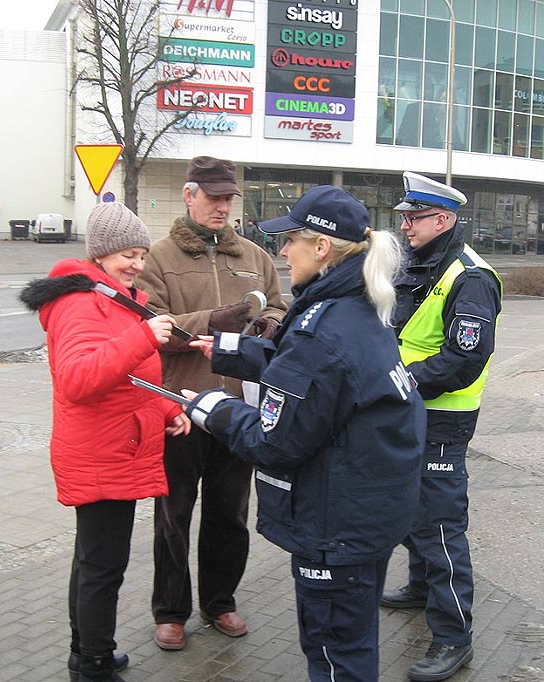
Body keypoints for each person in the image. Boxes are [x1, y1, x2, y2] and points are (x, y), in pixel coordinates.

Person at [183, 185, 427, 681]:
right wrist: (232, 351)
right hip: (367, 513)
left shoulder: (324, 329)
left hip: (335, 522)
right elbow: (319, 382)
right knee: (352, 644)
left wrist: (215, 408)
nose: (282, 251)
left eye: (291, 239)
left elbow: (277, 440)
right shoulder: (356, 305)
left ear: (321, 248)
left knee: (336, 655)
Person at [20, 202, 191, 682]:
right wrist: (143, 338)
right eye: (127, 255)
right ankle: (93, 664)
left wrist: (167, 411)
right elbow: (79, 378)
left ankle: (87, 651)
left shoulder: (111, 296)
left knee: (94, 559)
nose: (137, 264)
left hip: (112, 446)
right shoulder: (81, 302)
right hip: (99, 453)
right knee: (103, 565)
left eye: (141, 254)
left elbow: (126, 383)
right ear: (100, 254)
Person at [135, 156, 287, 651]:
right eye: (214, 196)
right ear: (190, 194)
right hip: (179, 405)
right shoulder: (159, 258)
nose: (223, 206)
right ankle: (171, 611)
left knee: (229, 513)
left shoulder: (255, 256)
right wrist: (211, 321)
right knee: (173, 514)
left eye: (228, 198)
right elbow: (150, 328)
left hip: (237, 408)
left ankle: (220, 601)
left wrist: (270, 325)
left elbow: (279, 306)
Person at [380, 172, 502, 682]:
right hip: (409, 412)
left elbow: (461, 361)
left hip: (443, 420)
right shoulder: (420, 264)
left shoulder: (470, 277)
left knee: (440, 527)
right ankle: (420, 587)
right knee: (409, 510)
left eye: (414, 217)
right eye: (404, 216)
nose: (405, 225)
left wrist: (397, 381)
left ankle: (454, 636)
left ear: (444, 220)